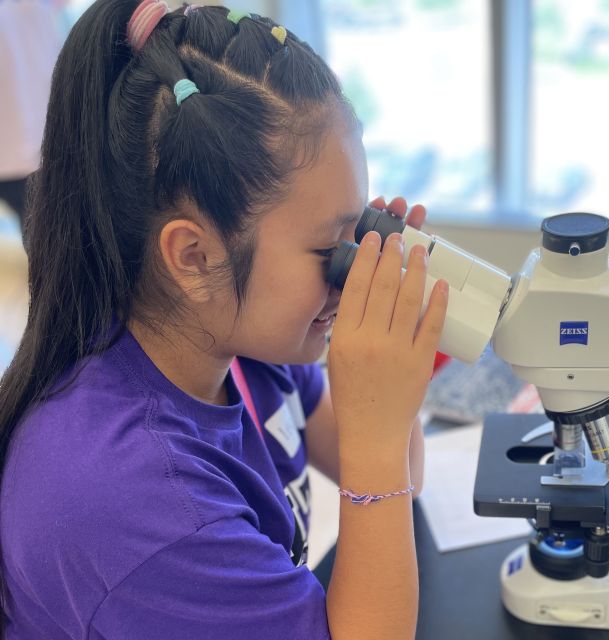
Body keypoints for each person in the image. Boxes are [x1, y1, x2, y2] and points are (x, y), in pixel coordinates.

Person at [0, 1, 449, 639]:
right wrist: (379, 435)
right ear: (195, 257)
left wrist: (389, 373)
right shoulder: (128, 498)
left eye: (363, 234)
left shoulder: (238, 343)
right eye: (333, 250)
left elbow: (388, 475)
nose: (354, 271)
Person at [0, 0, 64, 230]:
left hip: (25, 155)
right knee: (41, 241)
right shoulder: (39, 13)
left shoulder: (38, 13)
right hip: (33, 154)